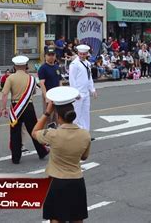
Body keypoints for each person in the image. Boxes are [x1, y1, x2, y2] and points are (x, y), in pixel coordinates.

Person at [31, 86, 91, 223]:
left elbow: (34, 132)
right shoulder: (85, 134)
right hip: (76, 182)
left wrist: (47, 113)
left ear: (58, 116)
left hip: (56, 182)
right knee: (77, 218)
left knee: (56, 218)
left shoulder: (52, 134)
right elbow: (84, 157)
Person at [0, 55, 49, 164]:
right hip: (29, 106)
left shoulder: (10, 78)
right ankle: (41, 151)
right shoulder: (31, 78)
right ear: (26, 66)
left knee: (15, 132)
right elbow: (34, 92)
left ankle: (16, 157)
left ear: (15, 66)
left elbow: (4, 94)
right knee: (34, 130)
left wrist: (3, 108)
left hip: (15, 106)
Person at [69, 45, 97, 132]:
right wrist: (75, 93)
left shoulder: (88, 63)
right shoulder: (74, 64)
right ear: (78, 53)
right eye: (80, 54)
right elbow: (72, 79)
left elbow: (89, 78)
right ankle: (77, 133)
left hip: (86, 93)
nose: (82, 56)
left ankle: (86, 133)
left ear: (87, 54)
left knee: (85, 113)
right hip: (78, 92)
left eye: (84, 54)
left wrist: (92, 89)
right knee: (77, 114)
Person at [38, 47, 62, 118]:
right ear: (45, 56)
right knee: (48, 116)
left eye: (53, 55)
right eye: (49, 55)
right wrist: (46, 97)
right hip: (48, 94)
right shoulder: (43, 68)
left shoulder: (57, 67)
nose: (51, 57)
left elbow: (60, 81)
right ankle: (47, 129)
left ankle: (56, 129)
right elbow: (42, 83)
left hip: (57, 94)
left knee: (57, 115)